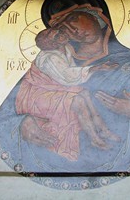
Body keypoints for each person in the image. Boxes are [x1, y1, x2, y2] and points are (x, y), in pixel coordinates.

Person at [0, 0, 130, 176]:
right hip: (50, 163)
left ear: (97, 15)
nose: (72, 30)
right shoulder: (51, 65)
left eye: (74, 19)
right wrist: (22, 125)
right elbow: (3, 120)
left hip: (124, 167)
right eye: (63, 28)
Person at [14, 26, 120, 160]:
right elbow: (67, 76)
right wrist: (96, 68)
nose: (62, 34)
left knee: (85, 94)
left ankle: (103, 129)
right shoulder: (50, 58)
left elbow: (70, 74)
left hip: (55, 89)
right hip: (37, 96)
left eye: (59, 32)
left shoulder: (66, 49)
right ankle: (94, 138)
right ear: (52, 44)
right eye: (57, 36)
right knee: (78, 101)